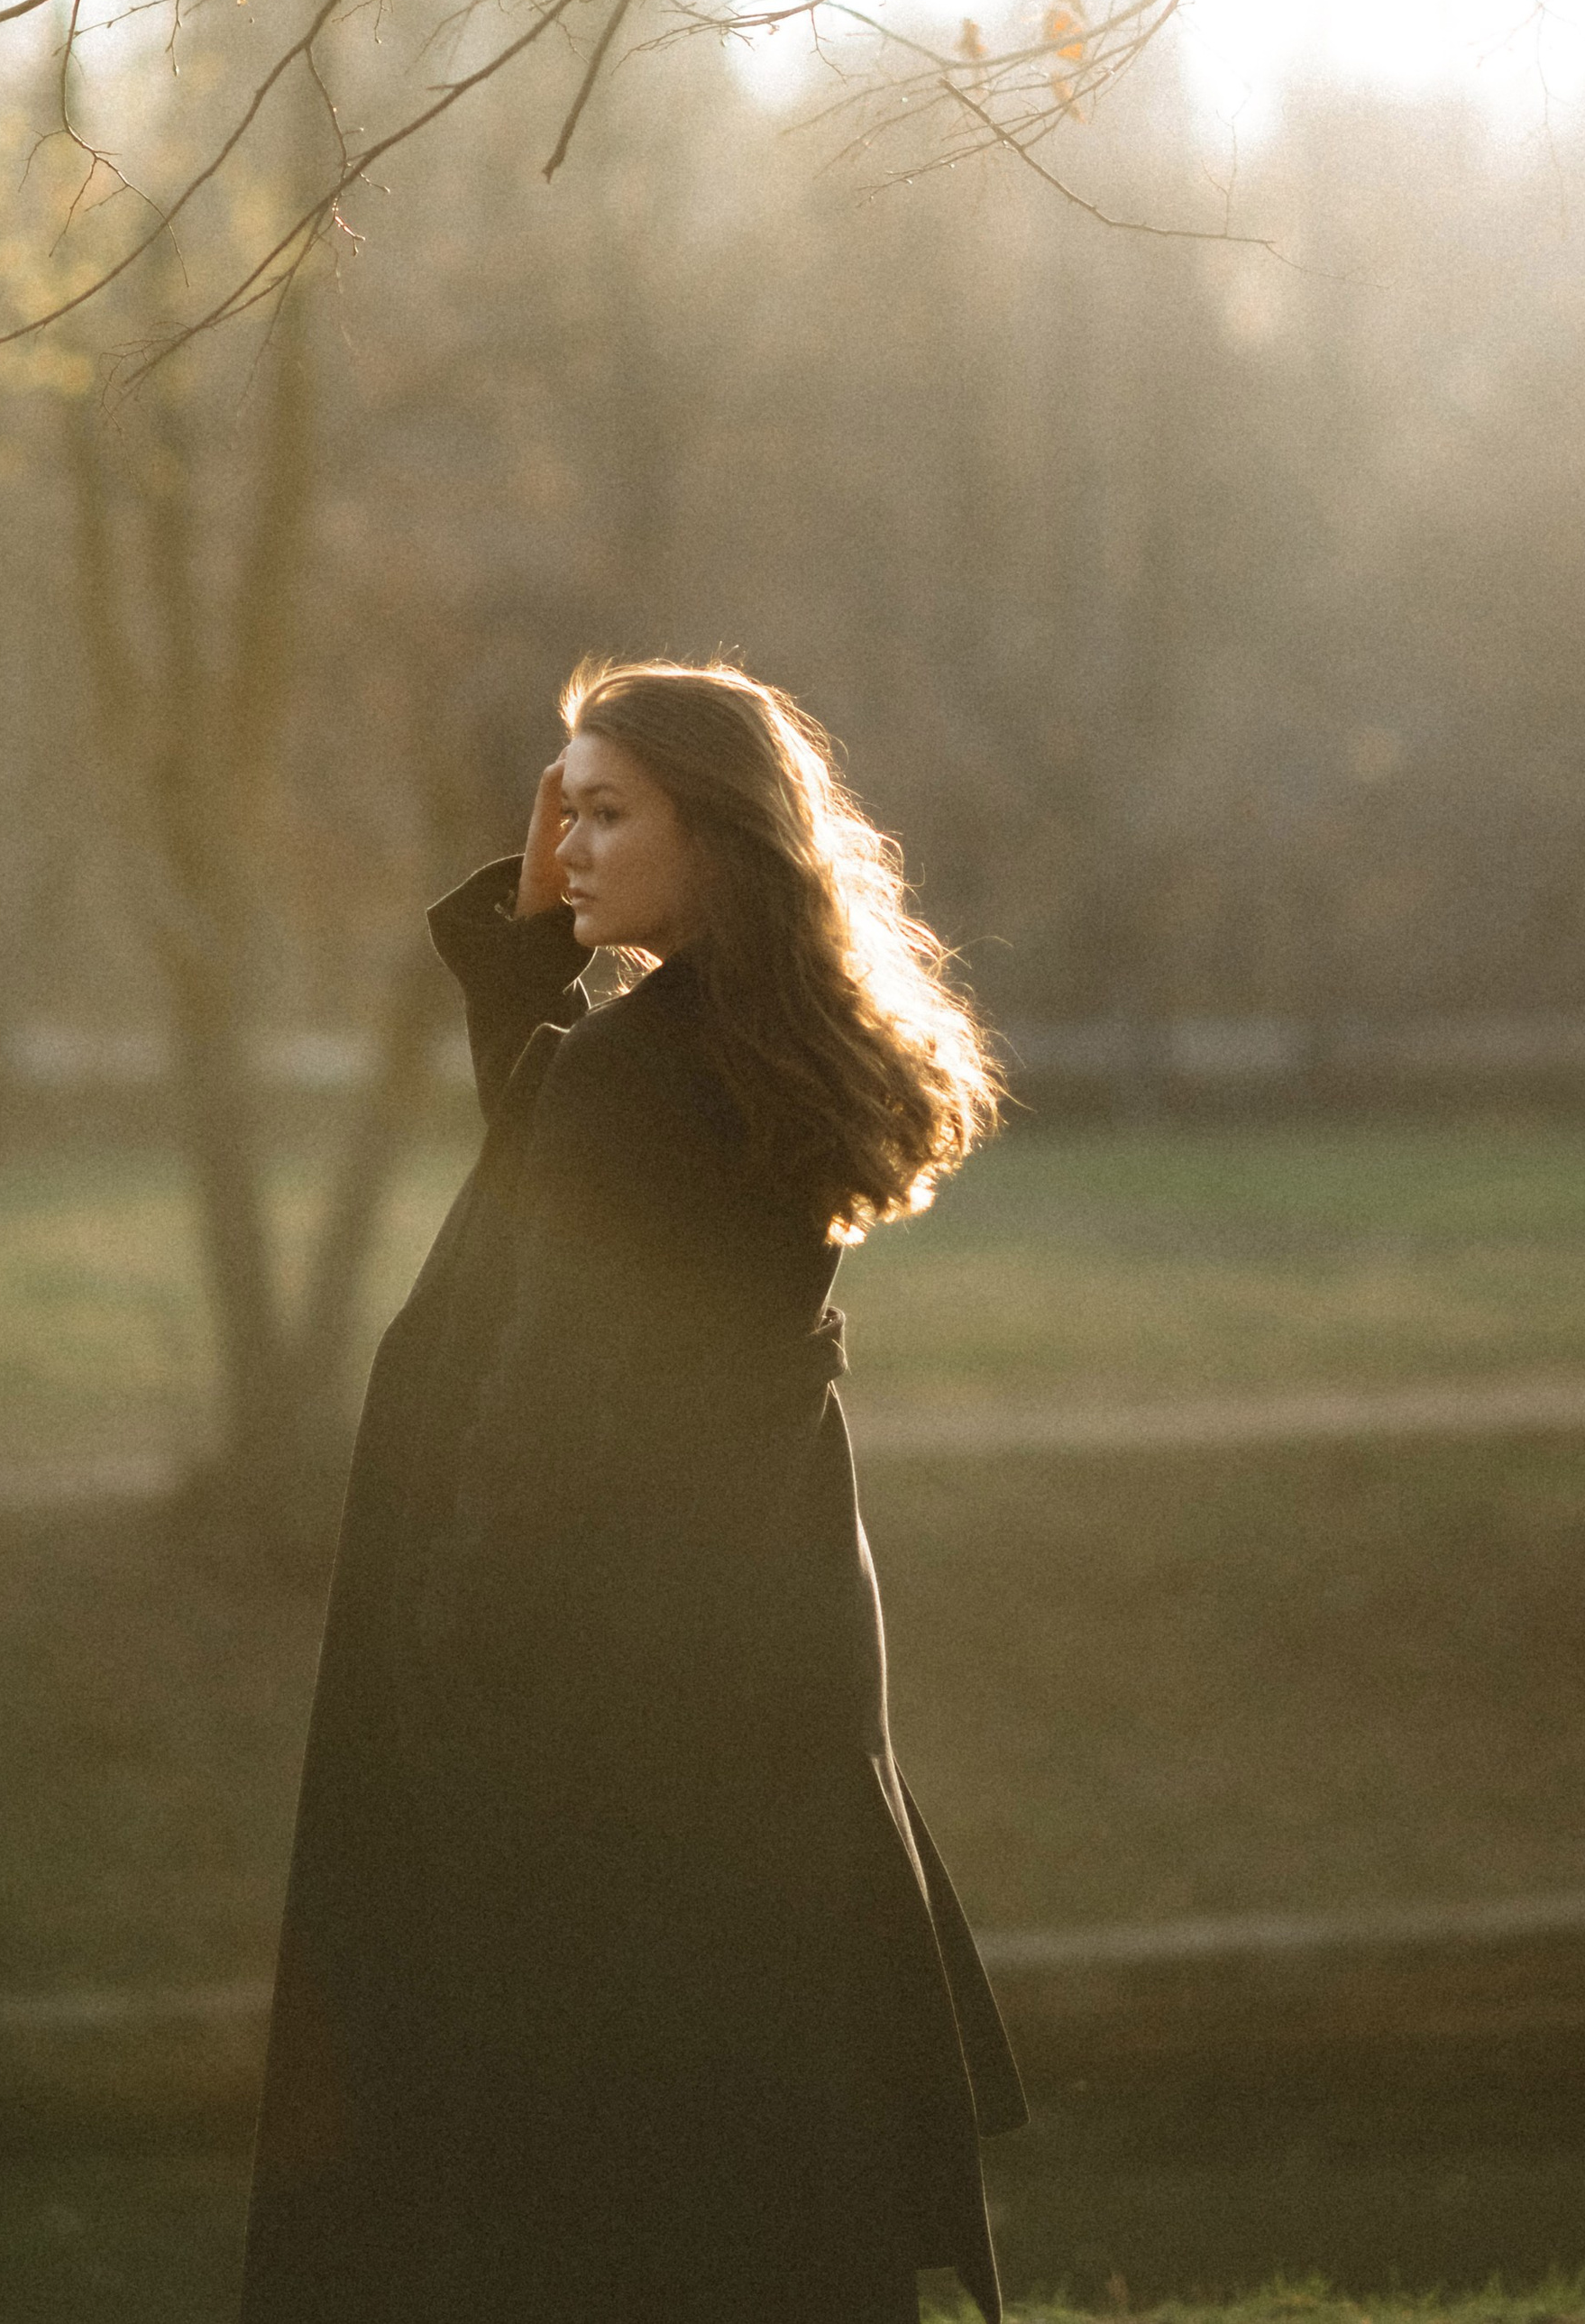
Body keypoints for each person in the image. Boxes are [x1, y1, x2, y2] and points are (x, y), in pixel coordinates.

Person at [239, 656, 1026, 2324]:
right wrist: (534, 949)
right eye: (563, 809)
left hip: (595, 1682)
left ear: (718, 833)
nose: (570, 844)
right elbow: (566, 1197)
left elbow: (543, 1406)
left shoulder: (630, 1082)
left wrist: (452, 1668)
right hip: (760, 1648)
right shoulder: (774, 1045)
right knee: (748, 2109)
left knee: (580, 2145)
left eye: (607, 811)